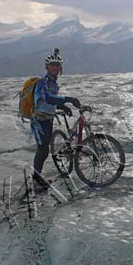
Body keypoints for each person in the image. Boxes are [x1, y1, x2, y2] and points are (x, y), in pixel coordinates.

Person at [30, 48, 81, 192]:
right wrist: (67, 99)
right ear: (47, 67)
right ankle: (35, 181)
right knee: (42, 150)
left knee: (44, 149)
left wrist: (62, 106)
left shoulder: (53, 83)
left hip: (47, 119)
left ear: (60, 68)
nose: (55, 67)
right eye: (52, 65)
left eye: (57, 65)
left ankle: (37, 178)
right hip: (39, 121)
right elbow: (46, 98)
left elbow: (52, 100)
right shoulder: (42, 82)